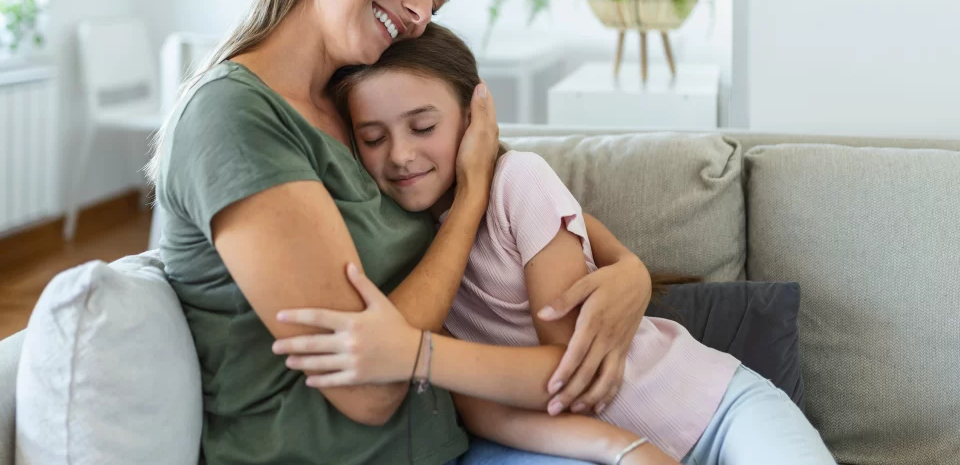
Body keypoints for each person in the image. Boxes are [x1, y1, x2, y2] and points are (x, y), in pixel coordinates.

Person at [149, 0, 653, 464]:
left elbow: (521, 195)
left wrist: (631, 271)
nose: (419, 13)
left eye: (438, 1)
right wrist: (468, 202)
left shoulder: (354, 106)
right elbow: (368, 389)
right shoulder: (235, 116)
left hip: (463, 442)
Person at [272, 24, 837, 465]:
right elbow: (483, 411)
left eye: (423, 127)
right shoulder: (394, 244)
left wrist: (413, 353)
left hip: (719, 409)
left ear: (474, 118)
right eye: (373, 138)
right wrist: (622, 449)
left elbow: (572, 371)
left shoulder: (519, 181)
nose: (400, 155)